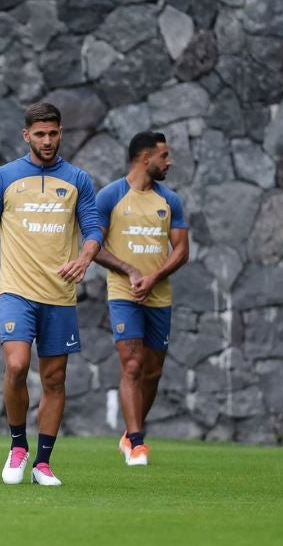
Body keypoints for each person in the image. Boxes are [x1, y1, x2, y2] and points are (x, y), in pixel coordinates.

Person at [0, 102, 103, 486]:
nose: (47, 140)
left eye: (53, 133)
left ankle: (43, 463)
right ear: (26, 135)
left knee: (55, 379)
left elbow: (93, 228)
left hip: (59, 294)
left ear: (61, 133)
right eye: (40, 134)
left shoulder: (78, 179)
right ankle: (17, 445)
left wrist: (85, 256)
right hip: (16, 290)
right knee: (15, 365)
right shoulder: (4, 177)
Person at [93, 131, 189, 467]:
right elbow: (94, 248)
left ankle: (129, 433)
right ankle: (136, 442)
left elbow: (182, 250)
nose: (170, 162)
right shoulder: (110, 197)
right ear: (145, 158)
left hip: (159, 296)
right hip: (124, 295)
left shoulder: (170, 201)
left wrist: (153, 278)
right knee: (132, 365)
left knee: (152, 372)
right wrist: (131, 273)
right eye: (164, 156)